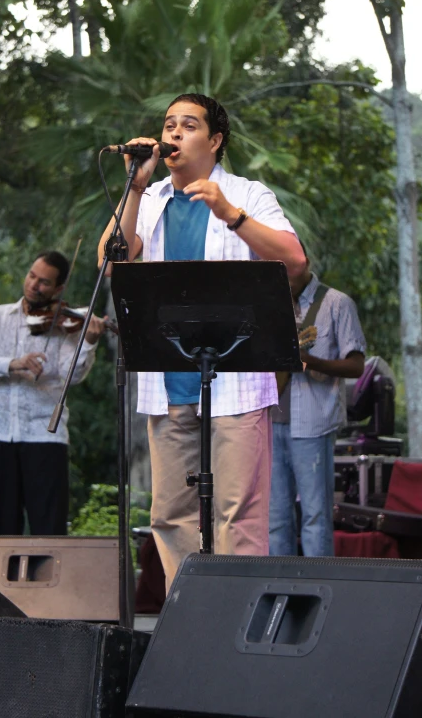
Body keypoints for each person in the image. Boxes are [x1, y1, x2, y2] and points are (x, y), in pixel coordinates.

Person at [97, 93, 306, 588]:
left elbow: (294, 261)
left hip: (235, 382)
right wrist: (134, 186)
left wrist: (230, 213)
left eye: (187, 125)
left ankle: (236, 626)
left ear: (214, 141)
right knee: (170, 514)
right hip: (168, 384)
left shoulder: (248, 195)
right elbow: (111, 259)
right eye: (168, 124)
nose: (172, 133)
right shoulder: (148, 200)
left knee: (237, 516)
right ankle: (187, 623)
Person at [0, 250, 106, 536]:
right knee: (0, 527)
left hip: (45, 435)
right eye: (32, 276)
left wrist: (88, 341)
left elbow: (72, 376)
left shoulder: (69, 325)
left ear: (58, 289)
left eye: (43, 282)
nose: (33, 285)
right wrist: (12, 363)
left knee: (48, 526)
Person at [269, 246, 366, 557]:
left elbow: (356, 365)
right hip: (271, 421)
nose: (284, 276)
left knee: (315, 516)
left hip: (313, 422)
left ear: (305, 262)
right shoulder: (272, 304)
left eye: (289, 267)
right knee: (275, 518)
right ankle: (277, 593)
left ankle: (317, 590)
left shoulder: (337, 303)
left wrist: (308, 361)